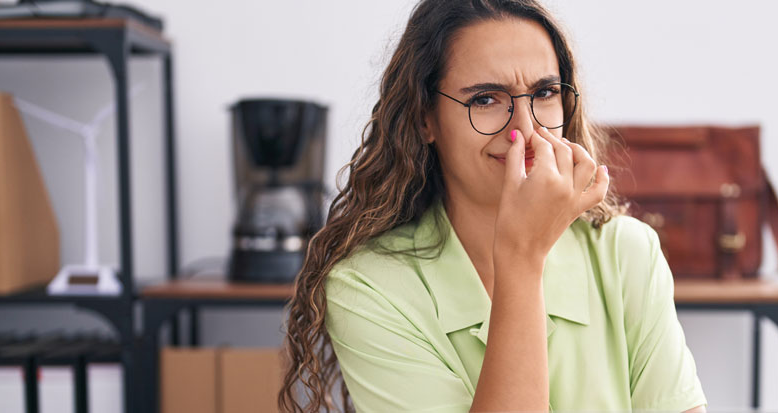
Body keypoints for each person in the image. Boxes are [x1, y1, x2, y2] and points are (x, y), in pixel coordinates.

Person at [280, 0, 708, 411]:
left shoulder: (627, 253)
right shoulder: (368, 288)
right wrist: (521, 258)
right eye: (485, 99)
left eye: (544, 93)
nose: (524, 129)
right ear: (425, 118)